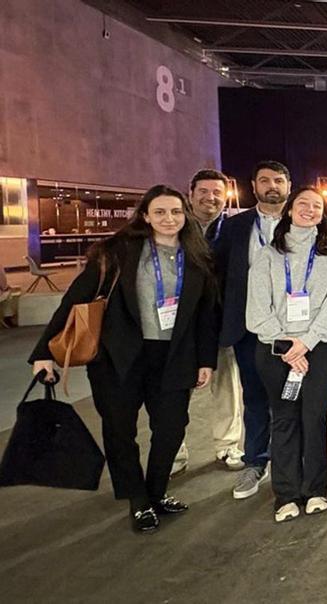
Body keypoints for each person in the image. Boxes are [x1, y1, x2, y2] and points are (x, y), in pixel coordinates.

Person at [30, 185, 217, 533]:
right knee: (120, 431)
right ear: (145, 216)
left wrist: (206, 360)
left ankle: (157, 492)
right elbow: (74, 299)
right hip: (119, 357)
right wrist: (44, 352)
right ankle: (138, 500)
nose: (169, 219)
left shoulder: (197, 255)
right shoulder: (117, 252)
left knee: (172, 428)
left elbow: (206, 315)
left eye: (176, 212)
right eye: (160, 212)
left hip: (174, 357)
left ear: (185, 215)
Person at [246, 187, 327, 523]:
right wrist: (287, 345)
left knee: (315, 418)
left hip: (319, 349)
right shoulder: (268, 255)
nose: (308, 210)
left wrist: (307, 342)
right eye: (302, 203)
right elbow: (258, 309)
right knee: (285, 419)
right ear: (289, 210)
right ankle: (286, 495)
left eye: (316, 206)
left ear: (324, 214)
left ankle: (316, 489)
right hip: (275, 350)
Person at [212, 160, 290, 500]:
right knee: (256, 396)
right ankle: (255, 462)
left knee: (295, 397)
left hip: (293, 328)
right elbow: (219, 274)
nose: (272, 186)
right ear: (253, 186)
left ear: (289, 185)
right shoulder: (235, 226)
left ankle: (292, 462)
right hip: (249, 329)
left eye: (278, 180)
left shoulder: (303, 219)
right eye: (264, 181)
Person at [172, 170, 243, 476]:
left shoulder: (233, 229)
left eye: (217, 192)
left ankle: (227, 446)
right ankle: (173, 452)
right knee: (175, 390)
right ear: (190, 193)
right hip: (181, 324)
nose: (210, 197)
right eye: (203, 191)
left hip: (220, 320)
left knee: (227, 387)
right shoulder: (176, 227)